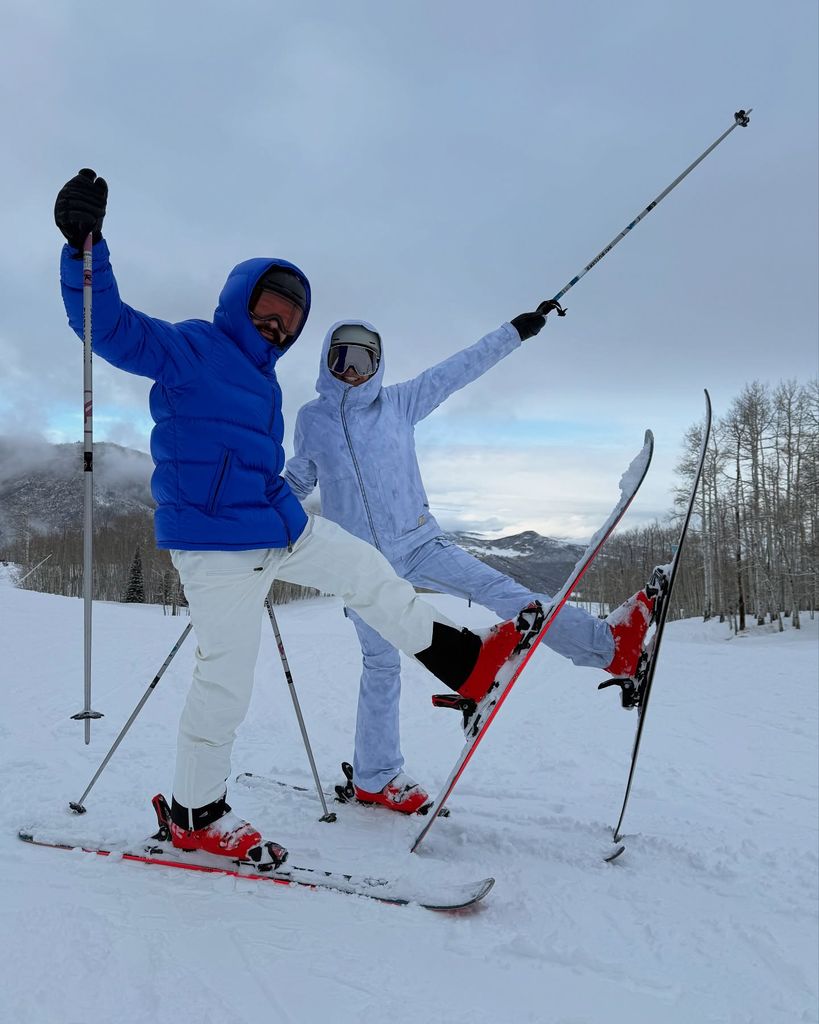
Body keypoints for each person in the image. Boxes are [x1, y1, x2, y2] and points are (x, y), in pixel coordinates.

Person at [53, 168, 543, 866]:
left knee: (368, 572)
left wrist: (283, 502)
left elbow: (263, 463)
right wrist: (84, 250)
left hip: (276, 524)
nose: (277, 321)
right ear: (238, 299)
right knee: (226, 679)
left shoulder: (265, 381)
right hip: (216, 543)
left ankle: (468, 668)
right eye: (269, 305)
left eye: (289, 317)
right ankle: (194, 815)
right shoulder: (191, 347)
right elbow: (108, 327)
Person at [284, 318, 655, 813]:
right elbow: (298, 479)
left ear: (378, 364)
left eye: (363, 360)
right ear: (327, 363)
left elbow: (459, 369)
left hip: (420, 543)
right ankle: (375, 776)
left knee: (510, 596)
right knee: (380, 663)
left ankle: (611, 648)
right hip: (360, 564)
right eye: (342, 359)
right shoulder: (313, 420)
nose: (352, 371)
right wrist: (252, 511)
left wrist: (516, 332)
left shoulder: (399, 402)